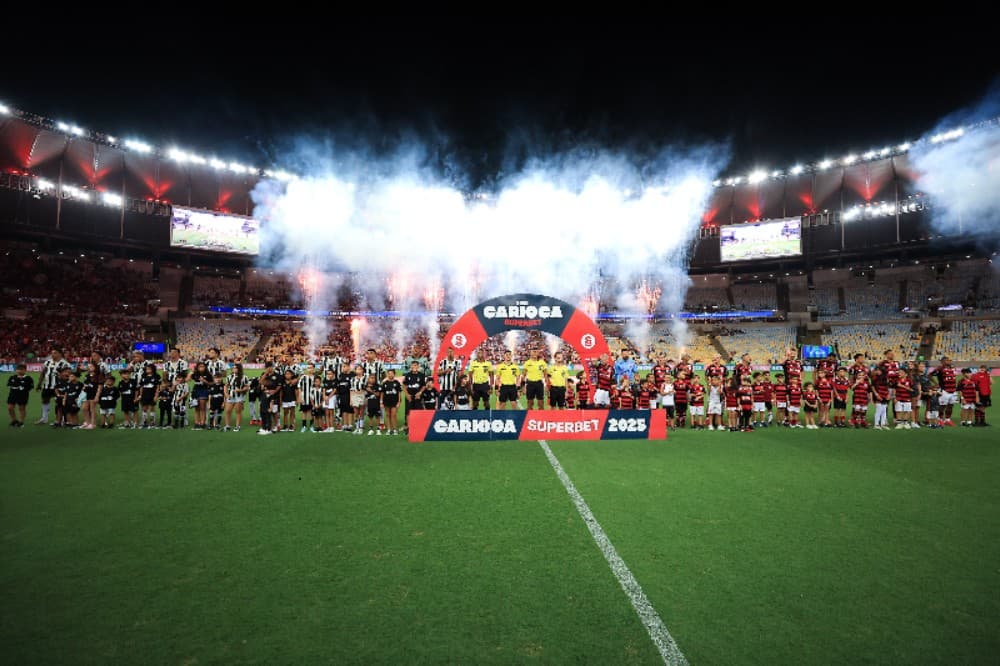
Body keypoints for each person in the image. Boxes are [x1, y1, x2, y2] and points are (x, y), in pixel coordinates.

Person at [36, 348, 72, 425]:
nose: (52, 354)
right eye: (52, 353)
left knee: (59, 403)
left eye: (55, 353)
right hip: (47, 385)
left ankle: (61, 419)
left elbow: (69, 375)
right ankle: (44, 418)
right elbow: (43, 373)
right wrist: (39, 384)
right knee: (45, 400)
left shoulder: (65, 363)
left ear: (60, 354)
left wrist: (63, 378)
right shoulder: (48, 362)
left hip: (59, 387)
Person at [224, 363, 249, 432]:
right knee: (228, 411)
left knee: (238, 411)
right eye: (233, 368)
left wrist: (240, 390)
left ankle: (237, 426)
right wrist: (226, 394)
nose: (234, 369)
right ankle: (227, 426)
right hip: (230, 396)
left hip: (239, 396)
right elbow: (226, 386)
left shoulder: (244, 377)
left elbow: (247, 387)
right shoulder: (229, 377)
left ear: (239, 369)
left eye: (235, 368)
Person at [296, 364, 318, 433]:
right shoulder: (303, 377)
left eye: (311, 368)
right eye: (308, 368)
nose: (309, 369)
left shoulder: (315, 378)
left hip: (312, 397)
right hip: (304, 397)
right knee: (304, 412)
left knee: (311, 412)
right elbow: (299, 386)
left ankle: (311, 426)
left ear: (314, 369)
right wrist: (299, 396)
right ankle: (304, 426)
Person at [190, 361, 212, 429]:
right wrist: (192, 371)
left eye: (203, 366)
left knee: (202, 407)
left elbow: (211, 383)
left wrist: (205, 381)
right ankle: (197, 423)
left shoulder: (208, 374)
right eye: (200, 366)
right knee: (196, 407)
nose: (201, 368)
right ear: (197, 367)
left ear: (205, 367)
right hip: (195, 390)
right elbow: (188, 379)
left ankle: (203, 423)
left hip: (204, 390)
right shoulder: (195, 374)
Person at [381, 369, 402, 435]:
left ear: (394, 374)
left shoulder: (397, 383)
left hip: (394, 402)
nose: (390, 375)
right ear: (387, 374)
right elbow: (382, 393)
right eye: (389, 373)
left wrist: (399, 402)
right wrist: (381, 402)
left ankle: (395, 429)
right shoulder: (385, 383)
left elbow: (399, 393)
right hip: (386, 401)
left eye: (391, 373)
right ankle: (389, 429)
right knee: (387, 415)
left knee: (394, 415)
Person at [139, 364, 160, 429]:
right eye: (147, 369)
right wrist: (140, 395)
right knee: (144, 408)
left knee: (152, 408)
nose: (147, 370)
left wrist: (156, 396)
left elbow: (157, 387)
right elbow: (141, 387)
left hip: (152, 395)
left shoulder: (156, 376)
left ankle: (152, 421)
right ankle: (144, 421)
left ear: (153, 369)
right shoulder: (143, 376)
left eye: (149, 369)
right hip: (145, 395)